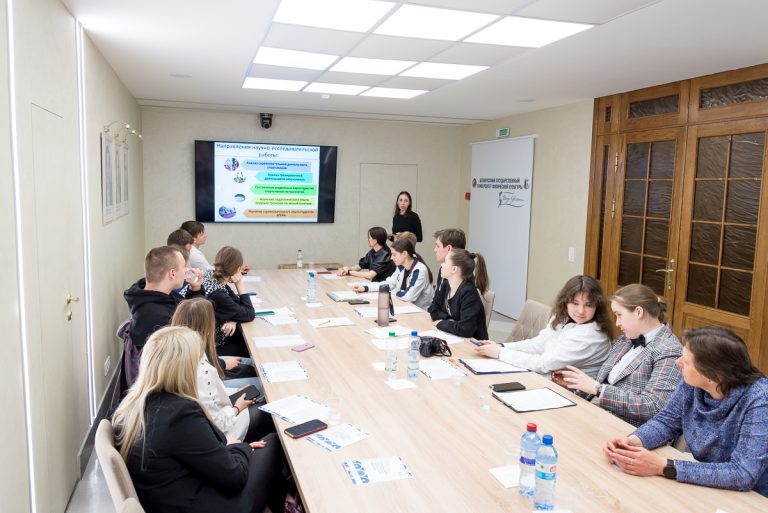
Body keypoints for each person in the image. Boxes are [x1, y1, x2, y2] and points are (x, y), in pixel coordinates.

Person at [111, 326, 287, 513]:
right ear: (185, 367)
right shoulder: (180, 413)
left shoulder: (128, 407)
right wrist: (240, 447)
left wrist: (234, 449)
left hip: (171, 496)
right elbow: (235, 477)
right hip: (212, 504)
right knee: (274, 442)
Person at [604, 327, 768, 497]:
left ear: (713, 375)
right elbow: (666, 421)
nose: (678, 362)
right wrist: (632, 442)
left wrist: (664, 466)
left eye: (687, 362)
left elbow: (742, 474)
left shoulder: (760, 400)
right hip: (705, 486)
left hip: (751, 499)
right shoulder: (693, 382)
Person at [559, 283, 682, 427]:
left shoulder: (670, 350)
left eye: (619, 315)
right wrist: (576, 385)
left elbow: (653, 406)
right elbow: (603, 383)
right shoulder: (625, 339)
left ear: (638, 312)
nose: (617, 323)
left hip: (624, 429)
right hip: (593, 414)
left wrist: (598, 389)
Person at [171, 299, 272, 442]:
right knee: (270, 405)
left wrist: (235, 392)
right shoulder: (200, 368)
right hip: (223, 431)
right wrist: (237, 408)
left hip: (219, 414)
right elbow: (217, 422)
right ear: (207, 327)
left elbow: (212, 396)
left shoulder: (181, 354)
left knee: (260, 388)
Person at [474, 275, 612, 378]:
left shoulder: (591, 335)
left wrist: (500, 353)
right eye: (575, 303)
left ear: (597, 306)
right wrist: (502, 346)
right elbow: (538, 344)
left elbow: (543, 364)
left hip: (567, 393)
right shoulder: (563, 317)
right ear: (565, 302)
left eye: (588, 305)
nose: (581, 311)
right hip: (546, 378)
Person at [124, 246, 204, 352]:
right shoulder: (156, 318)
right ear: (172, 273)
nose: (187, 270)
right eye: (184, 266)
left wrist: (195, 289)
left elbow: (189, 314)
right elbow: (192, 338)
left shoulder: (163, 295)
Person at [202, 246, 255, 357]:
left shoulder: (210, 275)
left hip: (206, 339)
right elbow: (249, 314)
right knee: (252, 348)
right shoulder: (218, 294)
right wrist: (239, 284)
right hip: (209, 349)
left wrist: (233, 319)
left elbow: (236, 304)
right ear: (237, 269)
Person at [353, 237, 434, 310]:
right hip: (403, 307)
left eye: (394, 255)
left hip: (420, 312)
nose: (391, 258)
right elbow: (389, 284)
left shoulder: (419, 270)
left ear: (404, 254)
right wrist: (366, 288)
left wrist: (393, 293)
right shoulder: (401, 266)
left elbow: (408, 297)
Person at [428, 248, 489, 339]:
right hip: (454, 336)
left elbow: (465, 329)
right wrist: (448, 320)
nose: (442, 265)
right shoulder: (446, 285)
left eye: (445, 262)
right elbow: (433, 309)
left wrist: (441, 323)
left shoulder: (469, 293)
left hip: (473, 342)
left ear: (454, 269)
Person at [429, 228, 466, 316]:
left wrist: (443, 319)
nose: (435, 250)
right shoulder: (443, 270)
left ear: (449, 248)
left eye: (437, 246)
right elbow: (434, 306)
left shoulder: (460, 277)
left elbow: (456, 316)